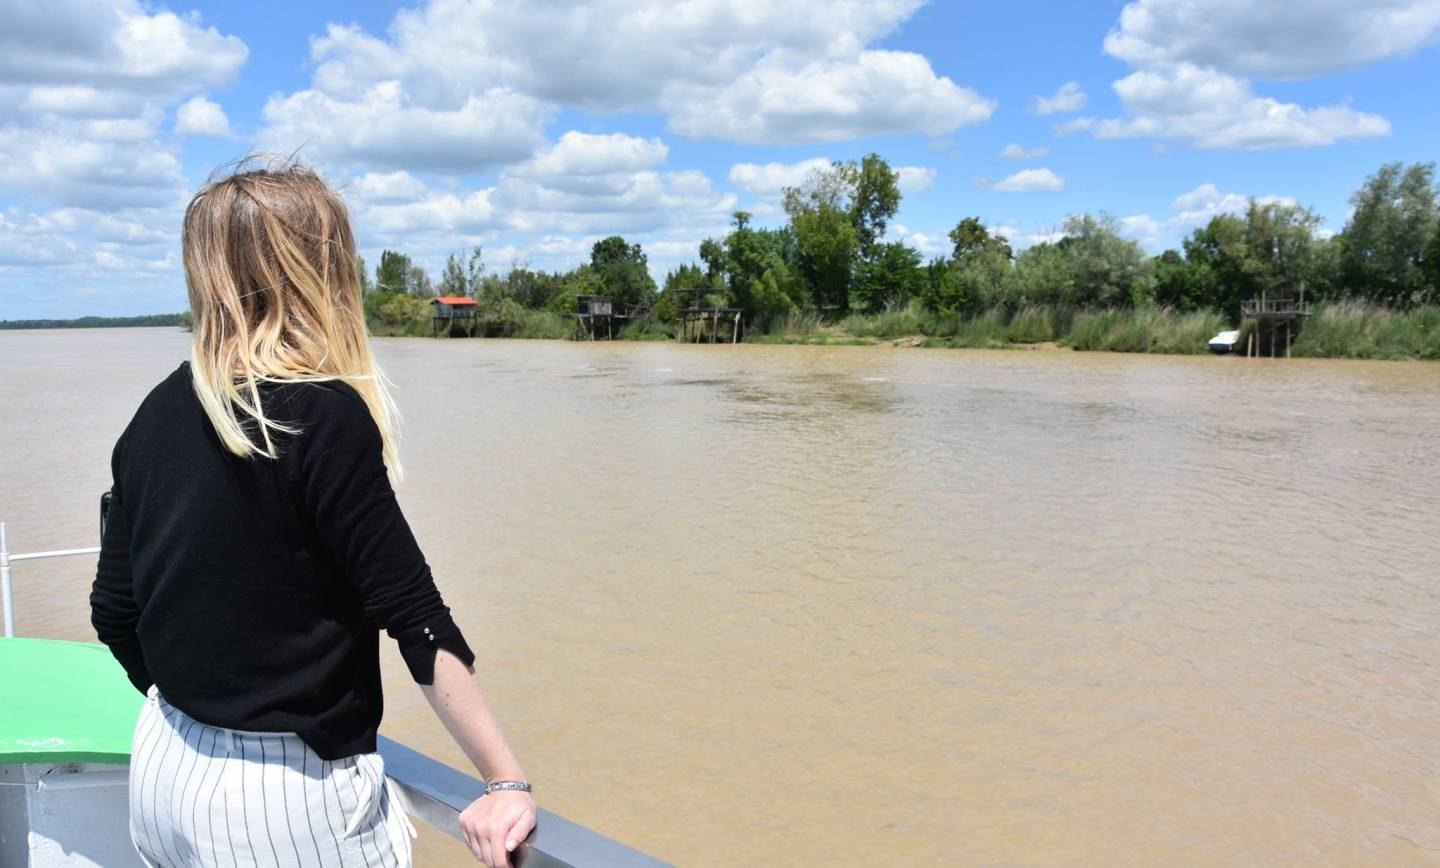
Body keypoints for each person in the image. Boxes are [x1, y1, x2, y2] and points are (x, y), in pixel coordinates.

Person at [90, 157, 535, 867]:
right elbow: (415, 618)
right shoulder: (322, 418)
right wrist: (504, 781)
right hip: (282, 800)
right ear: (317, 272)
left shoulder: (158, 409)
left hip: (164, 762)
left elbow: (114, 611)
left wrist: (203, 709)